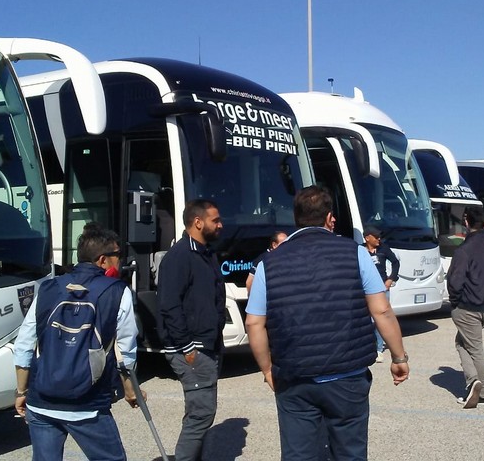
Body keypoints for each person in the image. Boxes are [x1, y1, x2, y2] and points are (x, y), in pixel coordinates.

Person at [245, 185, 409, 460]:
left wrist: (267, 370)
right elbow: (381, 311)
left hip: (295, 375)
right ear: (329, 217)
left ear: (296, 218)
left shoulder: (269, 264)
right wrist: (398, 357)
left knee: (299, 454)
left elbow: (254, 323)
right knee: (350, 452)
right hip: (347, 374)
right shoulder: (355, 253)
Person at [13, 226, 141, 461]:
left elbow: (24, 344)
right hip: (87, 404)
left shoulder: (48, 288)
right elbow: (126, 349)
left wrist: (21, 391)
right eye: (118, 256)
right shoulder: (117, 292)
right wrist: (130, 390)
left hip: (42, 401)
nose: (121, 261)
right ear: (103, 260)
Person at [156, 199, 226, 461]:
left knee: (203, 412)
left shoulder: (205, 253)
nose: (220, 225)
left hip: (207, 344)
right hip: (191, 348)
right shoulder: (180, 257)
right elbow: (169, 305)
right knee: (201, 414)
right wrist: (187, 347)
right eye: (215, 220)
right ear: (197, 222)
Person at [446, 206, 484, 409]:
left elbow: (455, 280)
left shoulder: (463, 250)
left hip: (467, 306)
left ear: (466, 223)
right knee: (462, 343)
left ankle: (481, 390)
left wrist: (454, 301)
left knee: (475, 348)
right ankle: (474, 381)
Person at [362, 225, 400, 362]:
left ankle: (378, 349)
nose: (379, 239)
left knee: (380, 319)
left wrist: (390, 279)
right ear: (367, 238)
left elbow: (395, 263)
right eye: (376, 236)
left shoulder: (383, 248)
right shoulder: (360, 250)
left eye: (380, 236)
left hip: (381, 289)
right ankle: (367, 346)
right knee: (367, 319)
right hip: (365, 289)